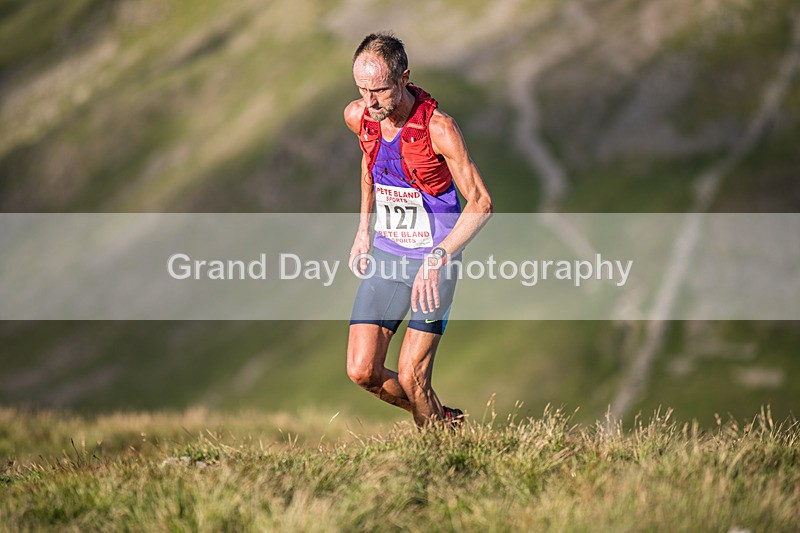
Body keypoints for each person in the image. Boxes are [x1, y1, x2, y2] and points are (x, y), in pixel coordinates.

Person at [344, 33, 493, 428]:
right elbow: (369, 166)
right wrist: (364, 230)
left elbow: (481, 204)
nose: (370, 102)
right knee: (362, 370)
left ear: (404, 78)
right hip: (389, 257)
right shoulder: (360, 116)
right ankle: (440, 419)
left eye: (379, 91)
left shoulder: (439, 129)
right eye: (362, 89)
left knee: (413, 376)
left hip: (434, 264)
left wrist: (439, 256)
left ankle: (441, 456)